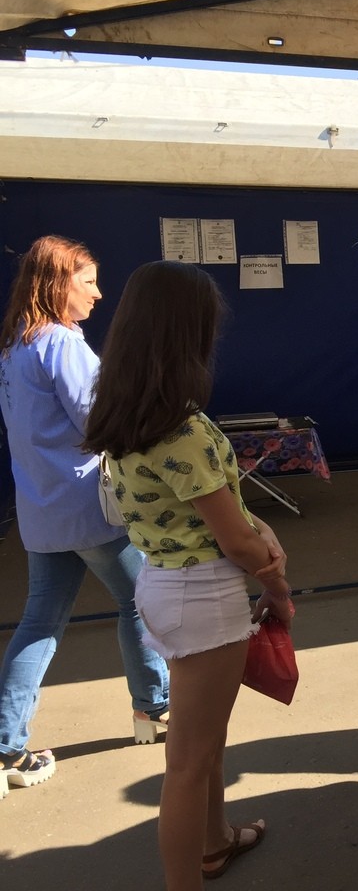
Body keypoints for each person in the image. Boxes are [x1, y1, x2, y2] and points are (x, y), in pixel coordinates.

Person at [82, 261, 292, 889]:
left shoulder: (125, 414)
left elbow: (218, 514)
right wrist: (276, 583)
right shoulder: (182, 428)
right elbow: (235, 540)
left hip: (165, 587)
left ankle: (214, 842)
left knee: (203, 745)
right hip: (204, 596)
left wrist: (261, 544)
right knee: (188, 761)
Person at [0, 236, 170, 796]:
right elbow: (100, 422)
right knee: (140, 602)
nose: (99, 294)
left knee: (39, 624)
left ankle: (4, 748)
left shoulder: (13, 349)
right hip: (92, 508)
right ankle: (155, 709)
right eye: (88, 281)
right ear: (57, 284)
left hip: (42, 513)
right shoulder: (62, 345)